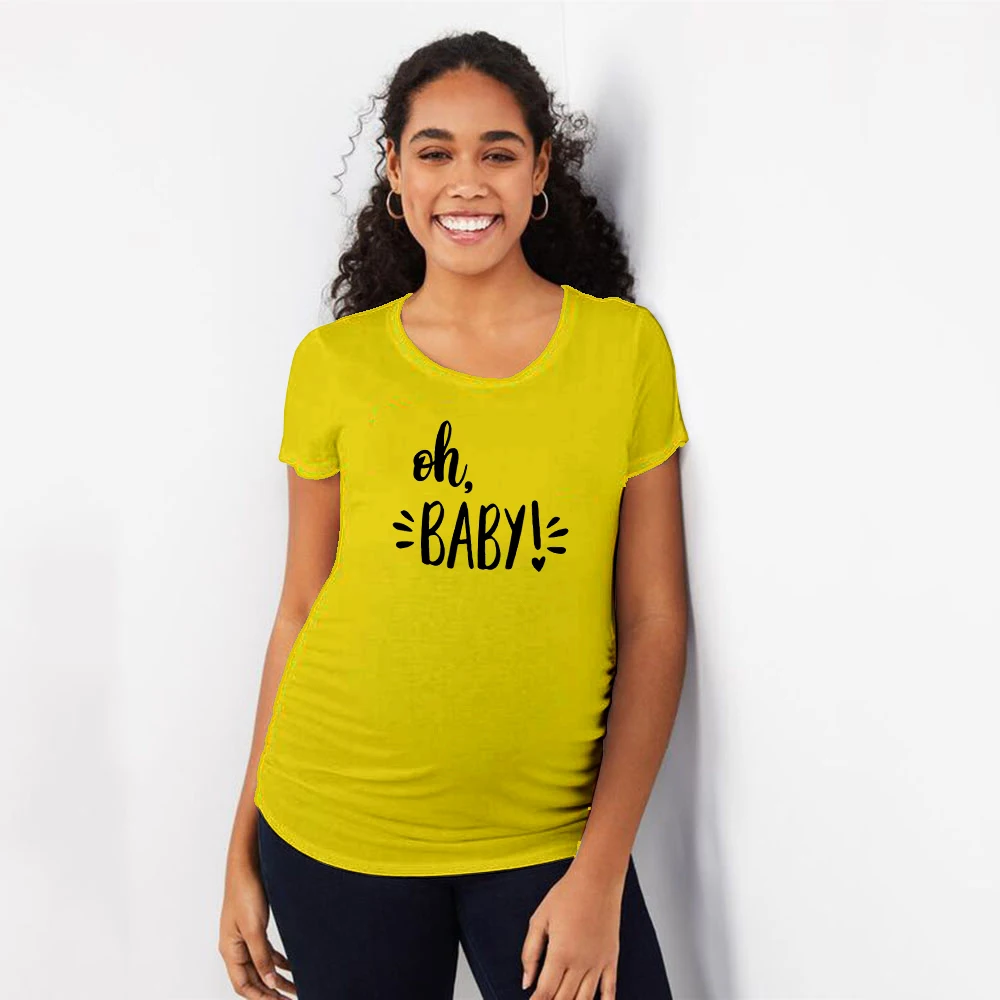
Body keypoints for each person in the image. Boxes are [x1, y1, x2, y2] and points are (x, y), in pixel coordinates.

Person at [219, 29, 689, 1000]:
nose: (466, 181)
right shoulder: (334, 364)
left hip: (548, 837)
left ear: (539, 168)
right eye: (435, 152)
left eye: (497, 152)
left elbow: (652, 618)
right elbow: (300, 608)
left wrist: (600, 868)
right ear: (395, 171)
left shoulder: (624, 350)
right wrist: (241, 843)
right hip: (333, 828)